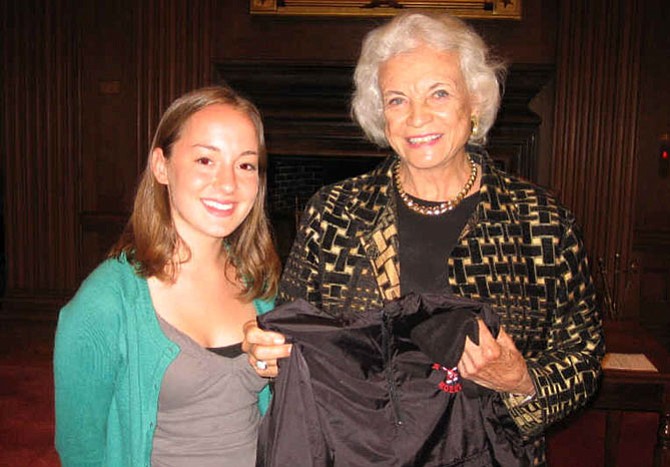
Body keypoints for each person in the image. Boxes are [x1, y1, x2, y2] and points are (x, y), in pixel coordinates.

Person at [244, 11, 604, 466]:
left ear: (473, 102)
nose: (417, 117)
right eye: (397, 100)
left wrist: (523, 382)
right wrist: (268, 351)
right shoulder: (334, 213)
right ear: (381, 114)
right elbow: (292, 339)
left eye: (439, 93)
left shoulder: (540, 221)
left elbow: (583, 360)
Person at [53, 85, 281, 467]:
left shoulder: (258, 282)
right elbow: (80, 449)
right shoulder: (105, 304)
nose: (228, 184)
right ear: (161, 166)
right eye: (205, 160)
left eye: (246, 164)